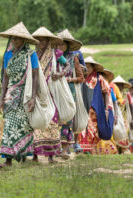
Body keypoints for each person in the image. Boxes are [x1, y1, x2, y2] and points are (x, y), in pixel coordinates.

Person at [0, 22, 40, 168]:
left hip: (25, 94)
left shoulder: (31, 55)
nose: (15, 41)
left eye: (18, 39)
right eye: (13, 39)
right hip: (11, 94)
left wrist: (33, 97)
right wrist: (2, 98)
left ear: (24, 40)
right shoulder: (8, 55)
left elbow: (35, 77)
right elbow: (5, 78)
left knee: (24, 125)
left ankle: (23, 155)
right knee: (9, 124)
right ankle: (8, 160)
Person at [31, 26, 66, 164]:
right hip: (35, 91)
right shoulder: (33, 54)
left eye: (43, 40)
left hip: (50, 92)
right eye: (38, 40)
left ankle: (51, 155)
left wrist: (60, 74)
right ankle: (34, 154)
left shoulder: (55, 53)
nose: (41, 42)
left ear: (48, 40)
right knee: (35, 120)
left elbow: (67, 64)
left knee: (52, 119)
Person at [57, 29, 85, 159]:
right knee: (55, 118)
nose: (61, 47)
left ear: (68, 45)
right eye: (59, 44)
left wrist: (69, 79)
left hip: (70, 90)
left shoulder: (74, 58)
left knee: (66, 120)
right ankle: (54, 148)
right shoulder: (54, 57)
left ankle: (64, 149)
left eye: (64, 44)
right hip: (57, 90)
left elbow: (81, 78)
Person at [78, 56, 115, 154]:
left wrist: (107, 109)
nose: (87, 69)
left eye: (89, 67)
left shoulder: (99, 78)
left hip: (96, 110)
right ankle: (84, 150)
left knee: (93, 130)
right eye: (85, 67)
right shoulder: (82, 79)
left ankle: (91, 150)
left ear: (93, 67)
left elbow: (106, 92)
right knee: (83, 129)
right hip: (84, 109)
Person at [112, 75, 133, 154]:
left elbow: (132, 107)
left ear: (123, 86)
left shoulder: (126, 95)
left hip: (125, 119)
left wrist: (132, 120)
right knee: (116, 132)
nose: (119, 86)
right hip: (116, 117)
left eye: (121, 85)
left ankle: (124, 150)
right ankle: (117, 151)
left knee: (124, 134)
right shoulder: (113, 94)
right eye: (117, 85)